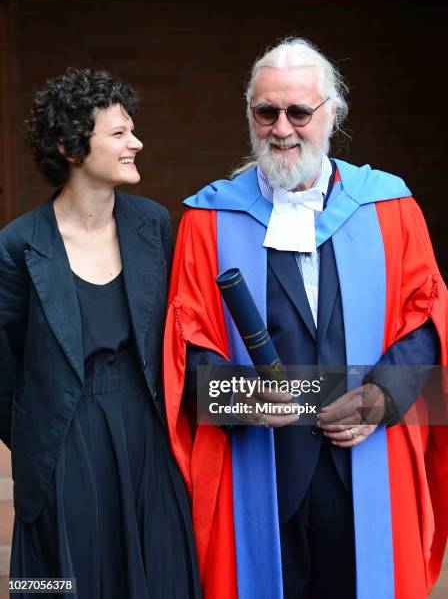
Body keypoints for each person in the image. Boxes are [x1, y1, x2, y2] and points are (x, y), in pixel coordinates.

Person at [163, 38, 448, 598]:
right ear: (250, 114)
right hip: (259, 465)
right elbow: (185, 337)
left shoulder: (389, 207)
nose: (282, 128)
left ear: (331, 114)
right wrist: (241, 397)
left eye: (298, 112)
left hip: (366, 456)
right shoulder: (208, 219)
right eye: (266, 112)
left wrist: (383, 397)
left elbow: (427, 315)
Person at [0, 68, 201, 598]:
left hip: (149, 436)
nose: (135, 143)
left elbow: (180, 339)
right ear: (70, 147)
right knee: (65, 585)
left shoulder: (153, 223)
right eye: (117, 134)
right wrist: (42, 437)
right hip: (64, 447)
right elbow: (3, 373)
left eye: (131, 130)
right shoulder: (18, 245)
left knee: (162, 578)